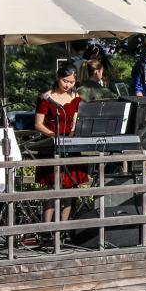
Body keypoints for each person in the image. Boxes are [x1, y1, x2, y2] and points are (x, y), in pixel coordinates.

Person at [33, 62, 89, 218]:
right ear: (58, 78)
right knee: (53, 188)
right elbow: (38, 124)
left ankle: (63, 228)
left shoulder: (77, 98)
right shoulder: (46, 97)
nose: (67, 85)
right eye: (65, 81)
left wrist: (72, 134)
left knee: (69, 189)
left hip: (70, 145)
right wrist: (53, 136)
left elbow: (76, 122)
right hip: (51, 145)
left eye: (71, 82)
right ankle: (47, 229)